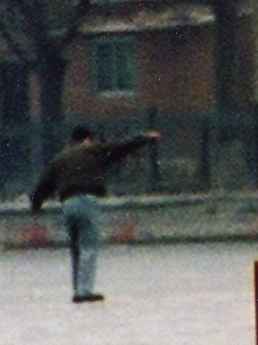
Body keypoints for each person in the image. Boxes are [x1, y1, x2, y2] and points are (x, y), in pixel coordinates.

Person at [28, 125, 161, 303]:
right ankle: (85, 291)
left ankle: (77, 289)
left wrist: (36, 204)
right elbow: (120, 146)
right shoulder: (92, 150)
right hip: (86, 201)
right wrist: (145, 138)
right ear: (88, 139)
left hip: (67, 204)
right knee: (88, 246)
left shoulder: (59, 158)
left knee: (76, 249)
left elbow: (44, 183)